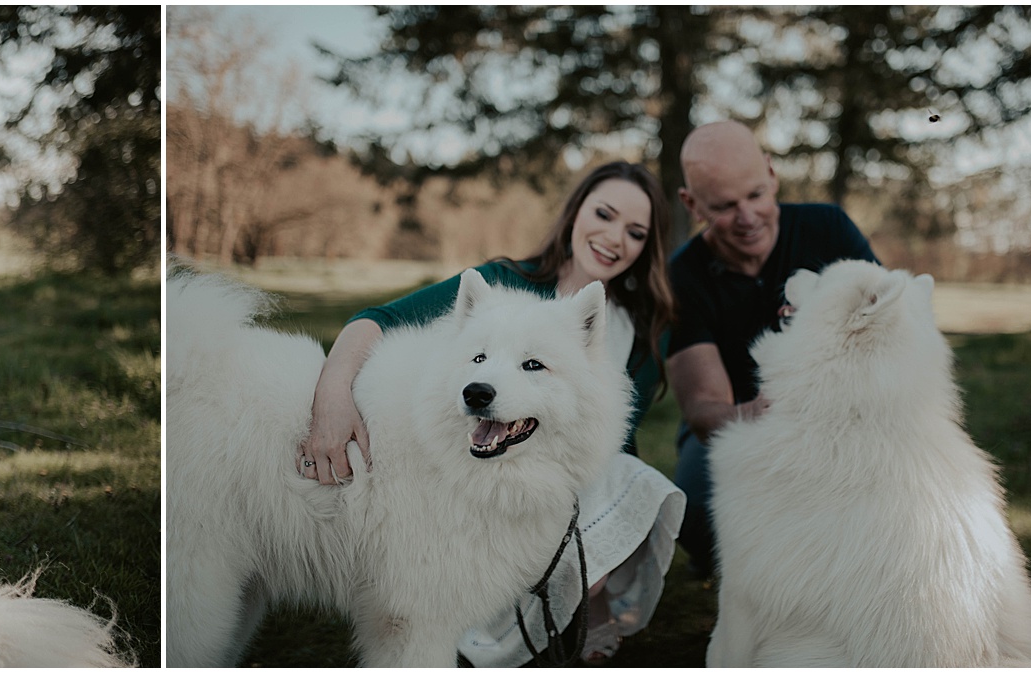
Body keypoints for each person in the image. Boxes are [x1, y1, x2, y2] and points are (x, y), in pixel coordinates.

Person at [297, 161, 686, 665]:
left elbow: (613, 434)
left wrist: (603, 532)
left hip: (562, 468)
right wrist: (330, 398)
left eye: (635, 232)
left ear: (647, 246)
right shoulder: (503, 282)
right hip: (483, 474)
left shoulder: (641, 325)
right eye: (604, 214)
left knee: (629, 488)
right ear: (574, 213)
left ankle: (583, 610)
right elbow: (379, 320)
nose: (614, 238)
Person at [664, 120, 879, 581]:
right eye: (724, 206)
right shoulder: (682, 276)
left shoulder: (829, 229)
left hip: (846, 412)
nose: (747, 217)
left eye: (756, 195)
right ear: (691, 203)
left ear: (772, 173)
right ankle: (732, 562)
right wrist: (767, 415)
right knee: (696, 508)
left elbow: (886, 327)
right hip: (744, 422)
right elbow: (704, 408)